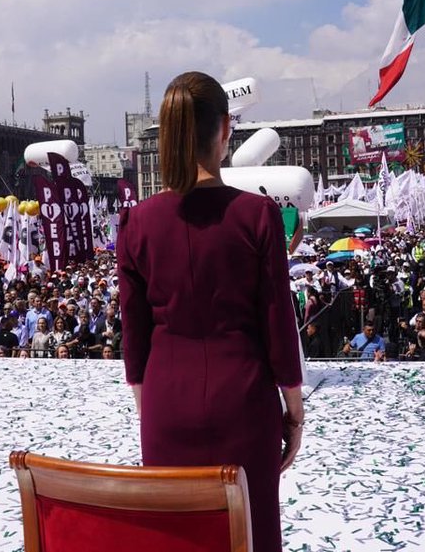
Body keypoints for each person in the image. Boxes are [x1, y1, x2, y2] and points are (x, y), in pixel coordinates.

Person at [117, 71, 303, 552]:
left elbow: (133, 338)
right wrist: (295, 414)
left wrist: (150, 409)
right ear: (225, 130)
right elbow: (279, 325)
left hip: (165, 404)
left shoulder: (137, 221)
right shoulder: (257, 215)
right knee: (251, 533)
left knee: (178, 538)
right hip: (242, 401)